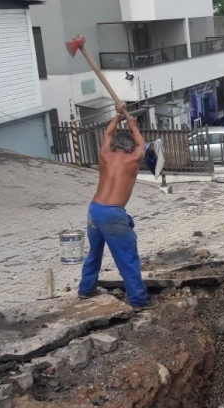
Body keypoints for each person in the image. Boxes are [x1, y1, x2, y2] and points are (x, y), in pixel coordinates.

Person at [78, 104, 158, 311]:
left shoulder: (105, 155)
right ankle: (139, 300)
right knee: (127, 257)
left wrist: (117, 115)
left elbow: (107, 133)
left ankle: (86, 289)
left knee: (94, 252)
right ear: (129, 147)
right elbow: (142, 145)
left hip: (94, 210)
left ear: (115, 146)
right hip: (113, 213)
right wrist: (133, 125)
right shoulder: (133, 158)